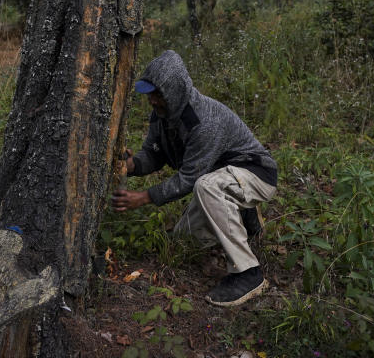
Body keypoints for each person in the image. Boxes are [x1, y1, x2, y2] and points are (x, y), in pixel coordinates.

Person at [112, 50, 278, 307]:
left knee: (205, 185)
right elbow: (154, 153)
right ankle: (247, 218)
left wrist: (144, 197)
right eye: (150, 94)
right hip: (224, 178)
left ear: (174, 91)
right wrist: (132, 165)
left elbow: (189, 179)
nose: (152, 101)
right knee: (184, 240)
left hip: (256, 174)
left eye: (157, 94)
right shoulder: (162, 115)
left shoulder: (203, 120)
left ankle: (248, 273)